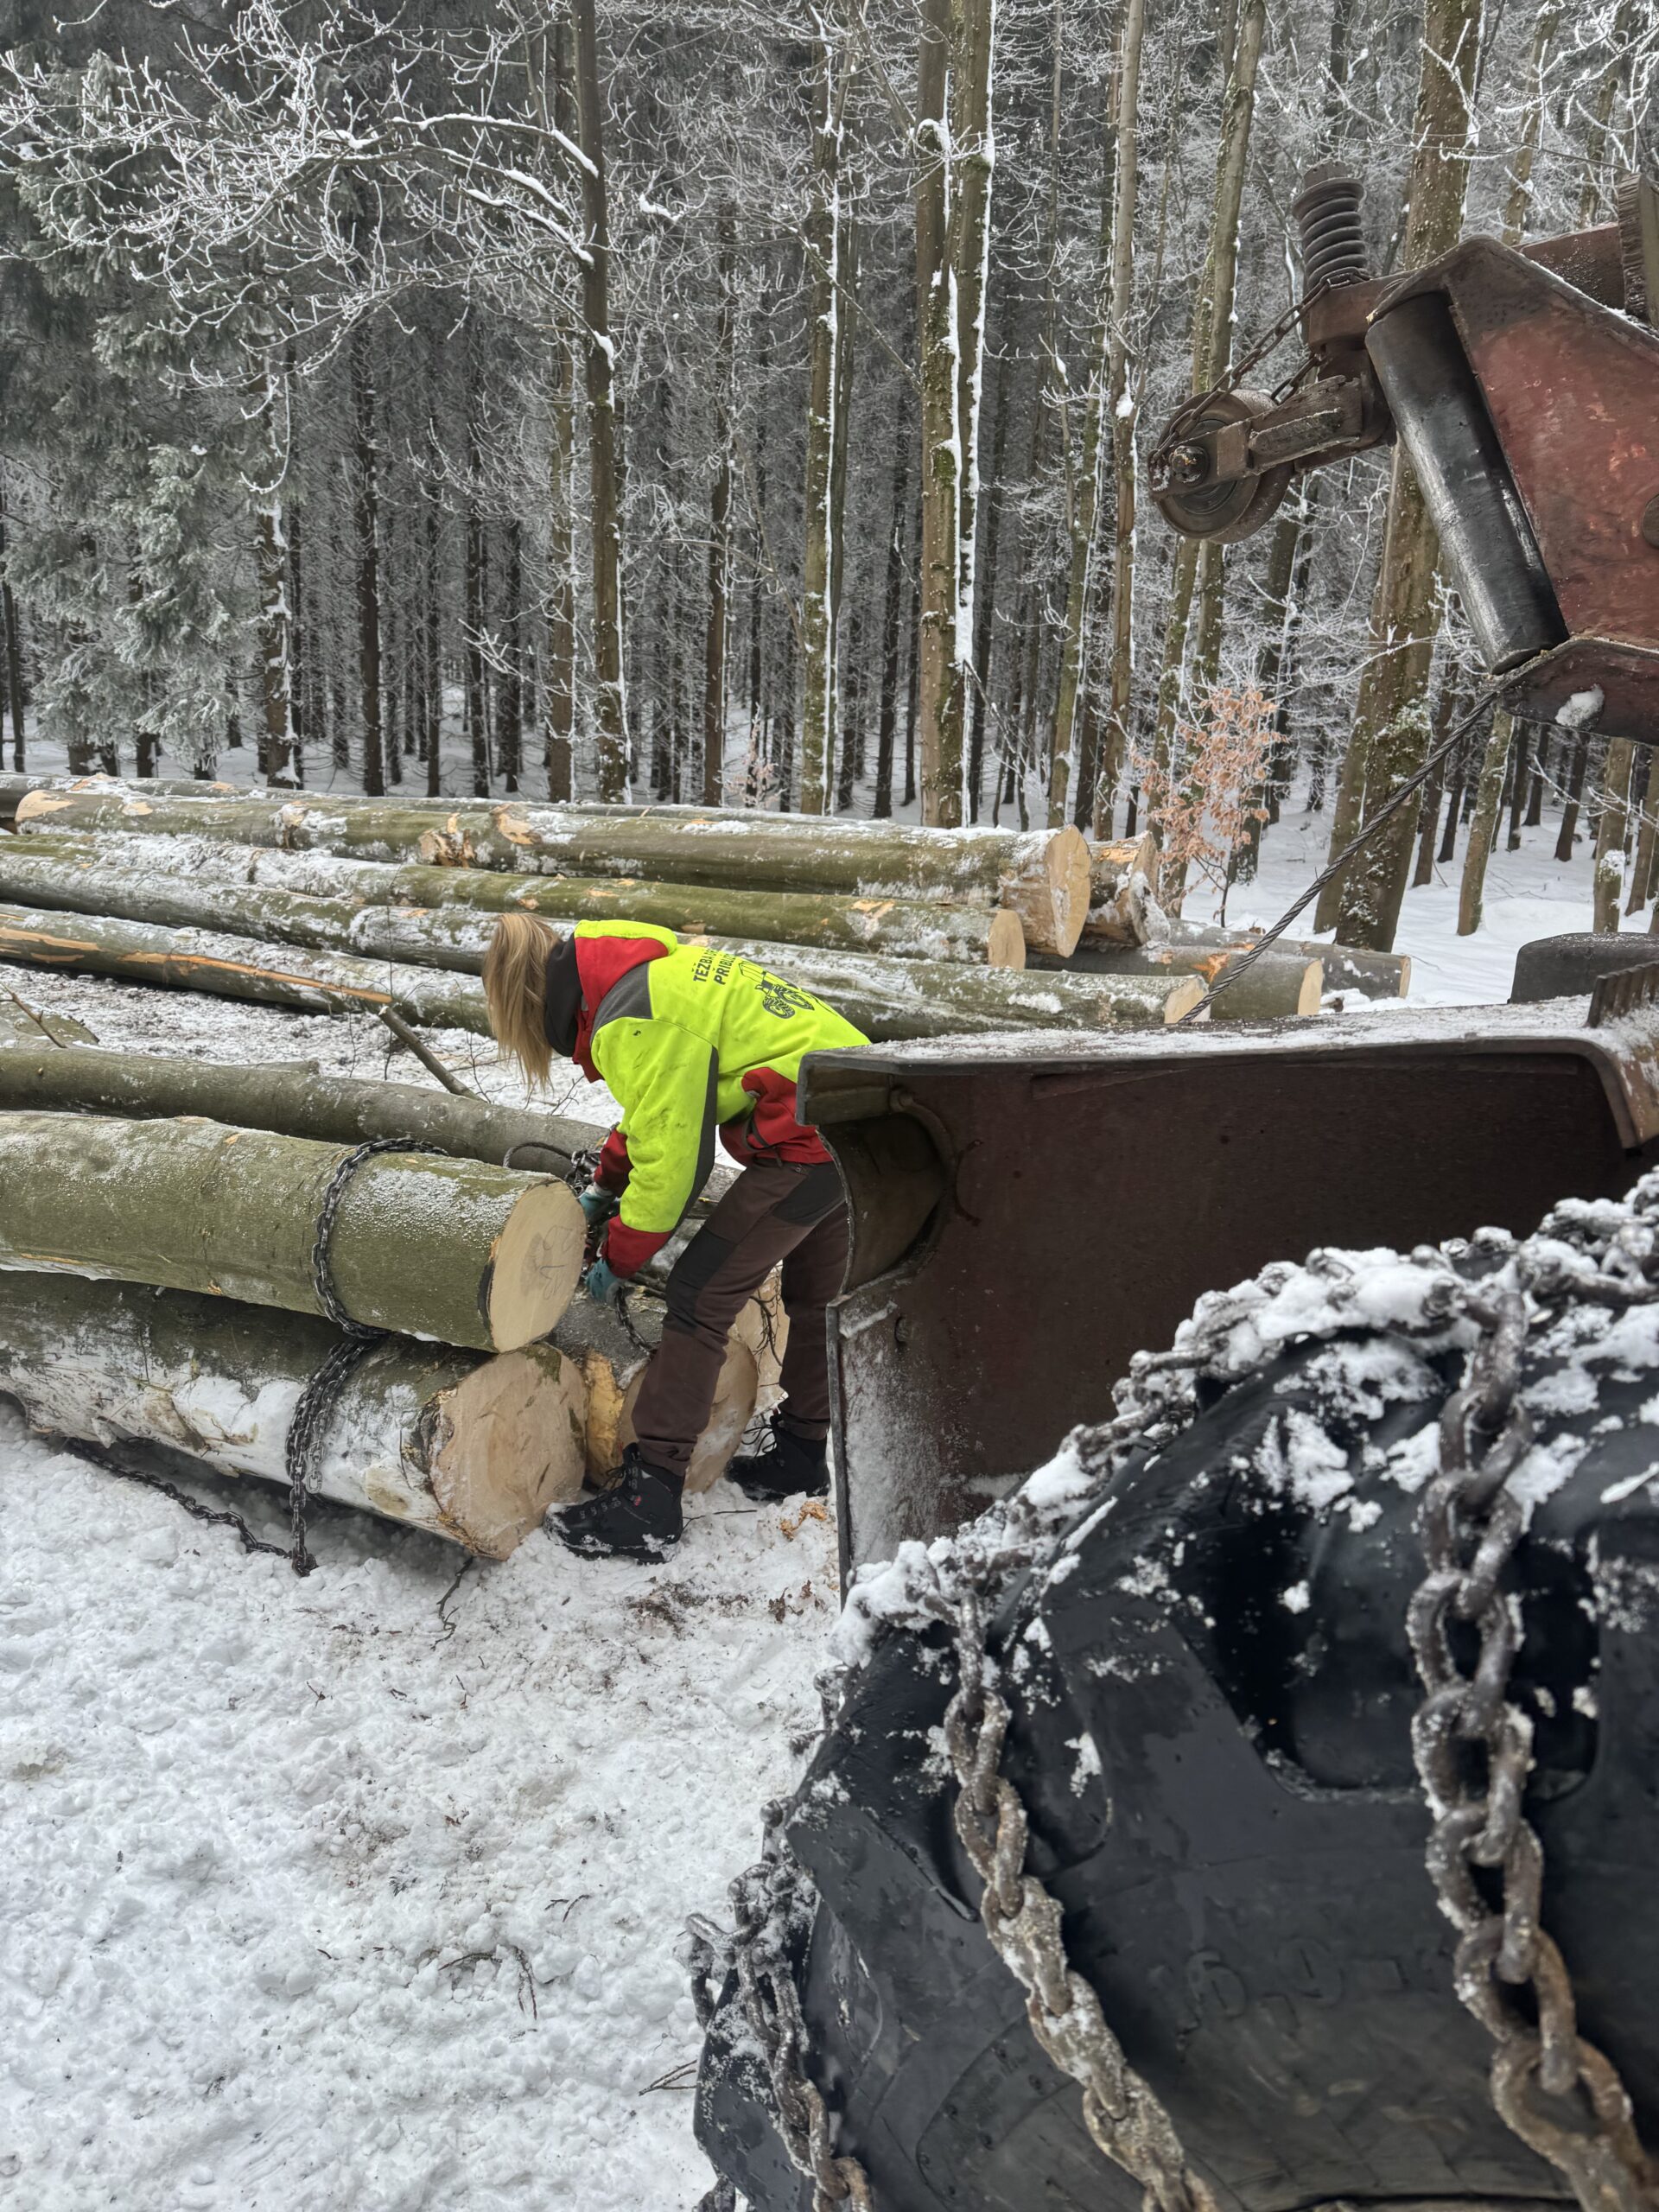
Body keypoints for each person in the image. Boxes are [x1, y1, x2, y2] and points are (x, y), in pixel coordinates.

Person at [482, 914, 869, 1560]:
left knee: (698, 1296)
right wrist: (606, 1184)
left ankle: (650, 1499)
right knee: (814, 1294)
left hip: (814, 1138)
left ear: (535, 1009)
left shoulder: (634, 1015)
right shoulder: (647, 981)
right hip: (856, 1115)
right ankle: (804, 1452)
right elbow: (659, 1110)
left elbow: (675, 1166)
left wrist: (620, 1256)